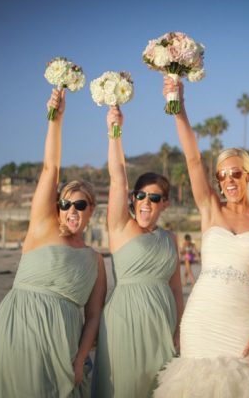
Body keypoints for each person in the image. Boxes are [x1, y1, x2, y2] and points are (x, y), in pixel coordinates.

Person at [154, 78, 249, 397]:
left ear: (248, 176)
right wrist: (178, 108)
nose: (228, 180)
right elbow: (194, 160)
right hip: (202, 315)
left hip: (242, 317)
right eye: (222, 176)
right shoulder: (211, 208)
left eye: (235, 173)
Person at [0, 89, 107, 397]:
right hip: (19, 326)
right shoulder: (41, 228)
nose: (72, 211)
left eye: (80, 206)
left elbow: (93, 316)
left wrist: (81, 359)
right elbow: (50, 169)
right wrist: (56, 118)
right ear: (56, 208)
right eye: (65, 205)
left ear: (91, 211)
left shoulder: (95, 260)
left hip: (64, 338)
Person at [91, 106, 184, 398]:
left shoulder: (170, 238)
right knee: (126, 386)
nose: (146, 202)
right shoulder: (120, 226)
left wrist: (179, 329)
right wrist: (115, 131)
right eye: (141, 195)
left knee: (159, 388)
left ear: (165, 203)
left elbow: (177, 289)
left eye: (154, 198)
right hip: (125, 319)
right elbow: (118, 177)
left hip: (162, 322)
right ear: (133, 198)